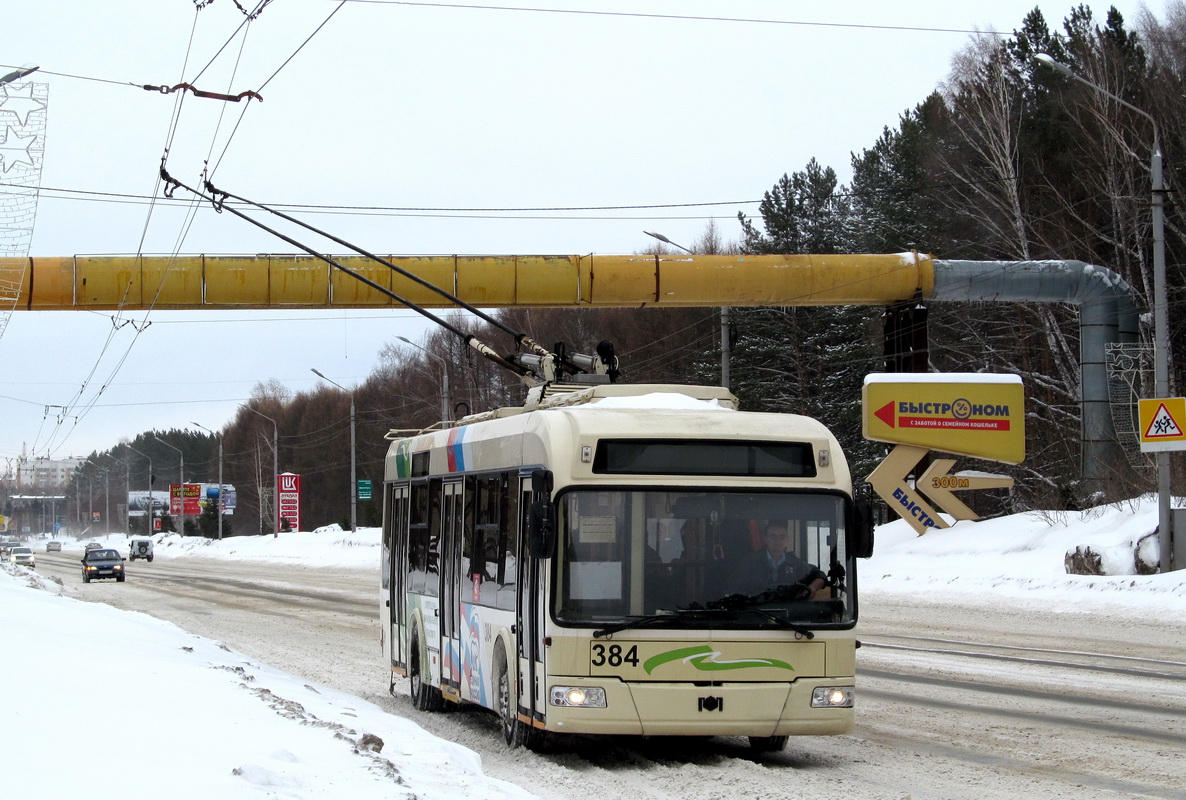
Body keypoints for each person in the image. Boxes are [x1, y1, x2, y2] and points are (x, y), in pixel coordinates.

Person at [728, 524, 828, 598]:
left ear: (786, 540)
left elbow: (820, 576)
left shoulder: (794, 563)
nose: (777, 541)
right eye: (773, 536)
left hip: (787, 616)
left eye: (782, 536)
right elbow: (733, 590)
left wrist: (812, 588)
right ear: (765, 539)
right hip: (756, 614)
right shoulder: (750, 562)